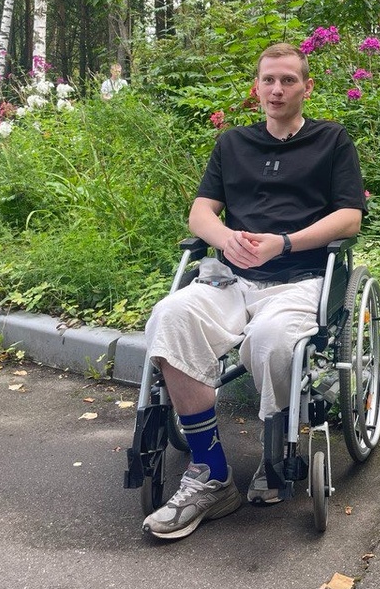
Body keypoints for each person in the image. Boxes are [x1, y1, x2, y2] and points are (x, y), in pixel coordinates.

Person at [140, 42, 366, 541]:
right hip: (231, 278)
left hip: (300, 278)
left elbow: (350, 217)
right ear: (256, 87)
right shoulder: (233, 144)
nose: (277, 89)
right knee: (170, 316)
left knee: (271, 340)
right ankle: (211, 474)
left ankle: (275, 447)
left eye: (288, 80)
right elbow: (201, 212)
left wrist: (282, 243)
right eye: (269, 80)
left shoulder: (331, 141)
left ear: (306, 87)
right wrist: (226, 241)